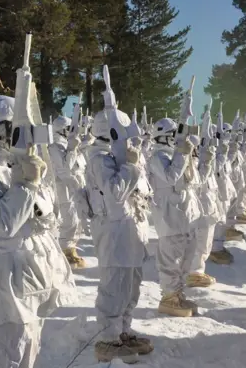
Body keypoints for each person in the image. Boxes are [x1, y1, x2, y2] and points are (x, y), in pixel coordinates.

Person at [0, 96, 74, 368]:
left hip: (31, 272)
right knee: (10, 352)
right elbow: (2, 224)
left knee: (30, 347)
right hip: (6, 277)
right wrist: (25, 184)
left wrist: (35, 182)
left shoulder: (14, 166)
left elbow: (47, 219)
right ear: (1, 130)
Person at [84, 109, 154, 363]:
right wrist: (131, 166)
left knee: (130, 288)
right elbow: (115, 193)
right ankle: (107, 339)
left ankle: (123, 332)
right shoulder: (100, 159)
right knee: (114, 288)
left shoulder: (119, 157)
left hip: (130, 234)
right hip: (114, 234)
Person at [146, 117, 202, 317]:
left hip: (185, 217)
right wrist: (181, 154)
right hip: (169, 219)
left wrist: (190, 157)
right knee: (171, 261)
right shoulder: (157, 157)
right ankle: (169, 297)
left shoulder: (178, 155)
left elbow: (193, 181)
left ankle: (178, 294)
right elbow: (171, 176)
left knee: (185, 260)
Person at [48, 116, 88, 269]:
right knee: (69, 221)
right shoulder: (55, 147)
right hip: (63, 190)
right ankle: (64, 252)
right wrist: (71, 148)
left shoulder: (70, 146)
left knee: (77, 222)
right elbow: (64, 169)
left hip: (75, 190)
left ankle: (71, 250)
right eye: (70, 129)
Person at [185, 130, 220, 287]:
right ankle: (193, 272)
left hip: (208, 209)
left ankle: (198, 270)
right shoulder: (189, 164)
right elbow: (197, 182)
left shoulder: (201, 161)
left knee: (206, 243)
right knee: (198, 243)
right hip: (198, 211)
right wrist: (205, 164)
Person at [209, 123, 238, 264]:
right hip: (216, 190)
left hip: (225, 188)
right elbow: (215, 168)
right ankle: (215, 249)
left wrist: (230, 152)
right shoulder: (211, 151)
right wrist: (221, 154)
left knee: (223, 218)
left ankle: (218, 245)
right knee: (218, 220)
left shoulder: (221, 150)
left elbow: (228, 167)